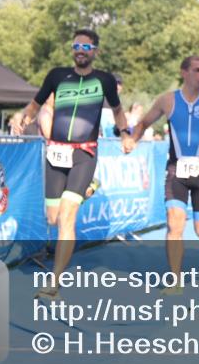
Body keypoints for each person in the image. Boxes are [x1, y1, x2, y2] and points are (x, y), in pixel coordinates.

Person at [12, 29, 135, 299]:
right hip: (56, 153)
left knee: (67, 216)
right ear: (72, 49)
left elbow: (117, 110)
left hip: (84, 154)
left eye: (86, 46)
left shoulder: (104, 80)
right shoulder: (57, 76)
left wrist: (126, 133)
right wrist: (24, 117)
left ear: (95, 51)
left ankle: (54, 282)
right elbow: (35, 104)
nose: (81, 50)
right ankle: (88, 189)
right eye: (77, 45)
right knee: (53, 218)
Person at [132, 55, 199, 293]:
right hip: (175, 170)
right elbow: (144, 123)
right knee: (174, 223)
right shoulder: (167, 101)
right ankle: (175, 280)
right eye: (198, 70)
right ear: (184, 72)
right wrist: (132, 140)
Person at [99, 73, 123, 137]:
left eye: (119, 84)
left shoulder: (119, 103)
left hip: (112, 140)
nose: (117, 86)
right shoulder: (101, 98)